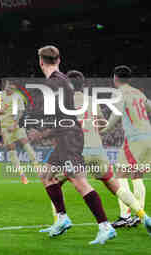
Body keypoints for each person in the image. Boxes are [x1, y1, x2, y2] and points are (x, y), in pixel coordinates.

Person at [40, 70, 151, 237]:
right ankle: (145, 217)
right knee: (114, 184)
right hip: (97, 150)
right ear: (83, 85)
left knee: (51, 180)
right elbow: (102, 123)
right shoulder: (92, 100)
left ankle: (59, 222)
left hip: (75, 151)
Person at [28, 46, 115, 245]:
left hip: (68, 138)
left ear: (41, 62)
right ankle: (62, 218)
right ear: (58, 60)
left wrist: (38, 131)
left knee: (79, 182)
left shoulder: (52, 84)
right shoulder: (63, 80)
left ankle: (105, 226)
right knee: (46, 175)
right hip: (67, 135)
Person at [100, 65, 151, 233]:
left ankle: (125, 216)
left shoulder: (121, 94)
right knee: (137, 176)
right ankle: (138, 215)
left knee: (120, 175)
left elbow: (117, 114)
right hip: (147, 137)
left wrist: (105, 129)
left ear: (115, 78)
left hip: (134, 139)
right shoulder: (139, 93)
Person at [0, 81, 37, 184]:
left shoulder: (17, 97)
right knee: (11, 149)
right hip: (4, 127)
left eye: (12, 88)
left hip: (16, 125)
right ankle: (22, 175)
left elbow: (21, 112)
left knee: (25, 142)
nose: (10, 89)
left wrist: (14, 124)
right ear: (6, 86)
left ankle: (36, 166)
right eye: (9, 87)